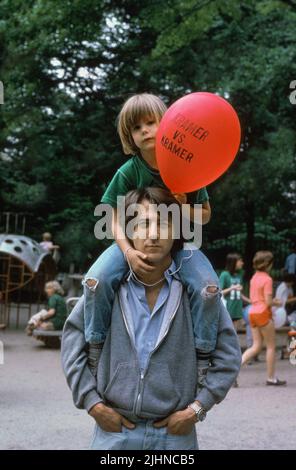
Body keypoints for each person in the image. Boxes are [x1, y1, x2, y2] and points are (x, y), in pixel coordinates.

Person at [61, 187, 242, 451]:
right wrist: (93, 403)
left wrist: (197, 409)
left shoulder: (197, 293)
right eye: (143, 223)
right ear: (128, 231)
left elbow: (229, 356)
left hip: (176, 435)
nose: (154, 234)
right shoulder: (107, 288)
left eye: (164, 223)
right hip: (114, 433)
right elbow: (72, 342)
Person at [83, 93, 221, 374]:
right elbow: (111, 217)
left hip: (180, 245)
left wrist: (184, 208)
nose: (145, 130)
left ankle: (203, 354)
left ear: (168, 124)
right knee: (95, 281)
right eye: (136, 127)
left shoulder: (188, 165)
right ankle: (95, 345)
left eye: (151, 122)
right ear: (128, 135)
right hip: (134, 245)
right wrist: (128, 252)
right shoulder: (128, 172)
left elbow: (205, 215)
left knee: (208, 289)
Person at [241, 251, 287, 386]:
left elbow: (255, 298)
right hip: (263, 313)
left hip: (252, 312)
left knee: (256, 346)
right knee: (271, 347)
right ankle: (271, 378)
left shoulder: (254, 277)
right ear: (268, 264)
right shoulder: (267, 279)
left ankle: (232, 371)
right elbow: (267, 302)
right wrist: (277, 302)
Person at [219, 253, 250, 330]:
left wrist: (250, 301)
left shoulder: (239, 274)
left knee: (234, 333)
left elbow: (239, 294)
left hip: (237, 310)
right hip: (228, 309)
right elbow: (219, 292)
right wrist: (232, 288)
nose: (242, 263)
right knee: (228, 332)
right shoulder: (224, 274)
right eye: (240, 261)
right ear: (233, 262)